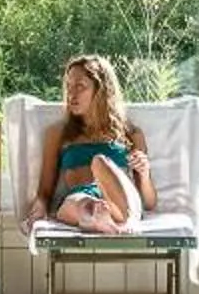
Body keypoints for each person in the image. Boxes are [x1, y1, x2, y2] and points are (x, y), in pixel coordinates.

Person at [38, 53, 155, 234]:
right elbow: (44, 193)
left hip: (122, 202)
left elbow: (149, 202)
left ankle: (119, 219)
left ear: (101, 90)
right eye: (68, 87)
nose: (71, 94)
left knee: (99, 162)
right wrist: (38, 207)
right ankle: (97, 219)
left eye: (80, 87)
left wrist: (145, 172)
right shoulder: (59, 134)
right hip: (81, 201)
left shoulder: (131, 134)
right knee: (74, 203)